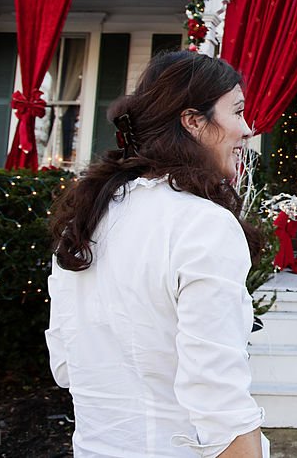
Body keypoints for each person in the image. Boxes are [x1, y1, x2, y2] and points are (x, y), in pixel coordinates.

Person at [46, 51, 269, 458]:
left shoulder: (82, 221)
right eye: (237, 112)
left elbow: (65, 365)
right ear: (193, 122)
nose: (247, 129)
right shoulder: (204, 225)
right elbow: (220, 403)